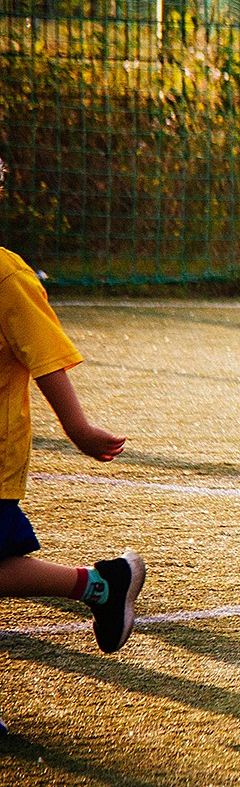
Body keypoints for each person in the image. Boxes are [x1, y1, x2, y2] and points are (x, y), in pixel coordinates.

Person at [0, 245, 143, 733]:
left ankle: (102, 587)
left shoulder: (7, 275)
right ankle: (103, 586)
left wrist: (78, 428)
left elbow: (44, 358)